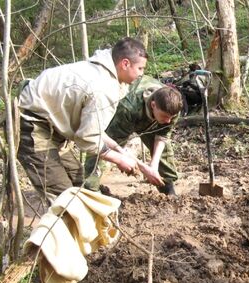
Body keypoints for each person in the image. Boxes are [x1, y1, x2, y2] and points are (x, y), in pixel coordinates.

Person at [17, 37, 148, 202]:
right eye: (140, 68)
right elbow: (87, 139)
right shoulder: (102, 87)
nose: (142, 74)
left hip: (55, 129)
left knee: (80, 186)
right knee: (65, 200)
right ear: (125, 63)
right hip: (33, 126)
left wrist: (121, 152)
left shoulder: (105, 71)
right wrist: (118, 159)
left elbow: (95, 130)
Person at [83, 76, 184, 195]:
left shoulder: (172, 108)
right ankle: (91, 189)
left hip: (149, 115)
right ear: (153, 105)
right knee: (101, 149)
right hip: (125, 114)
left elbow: (162, 136)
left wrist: (153, 166)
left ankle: (167, 189)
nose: (168, 121)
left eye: (171, 117)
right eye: (165, 116)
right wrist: (142, 167)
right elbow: (113, 144)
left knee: (163, 152)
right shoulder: (128, 108)